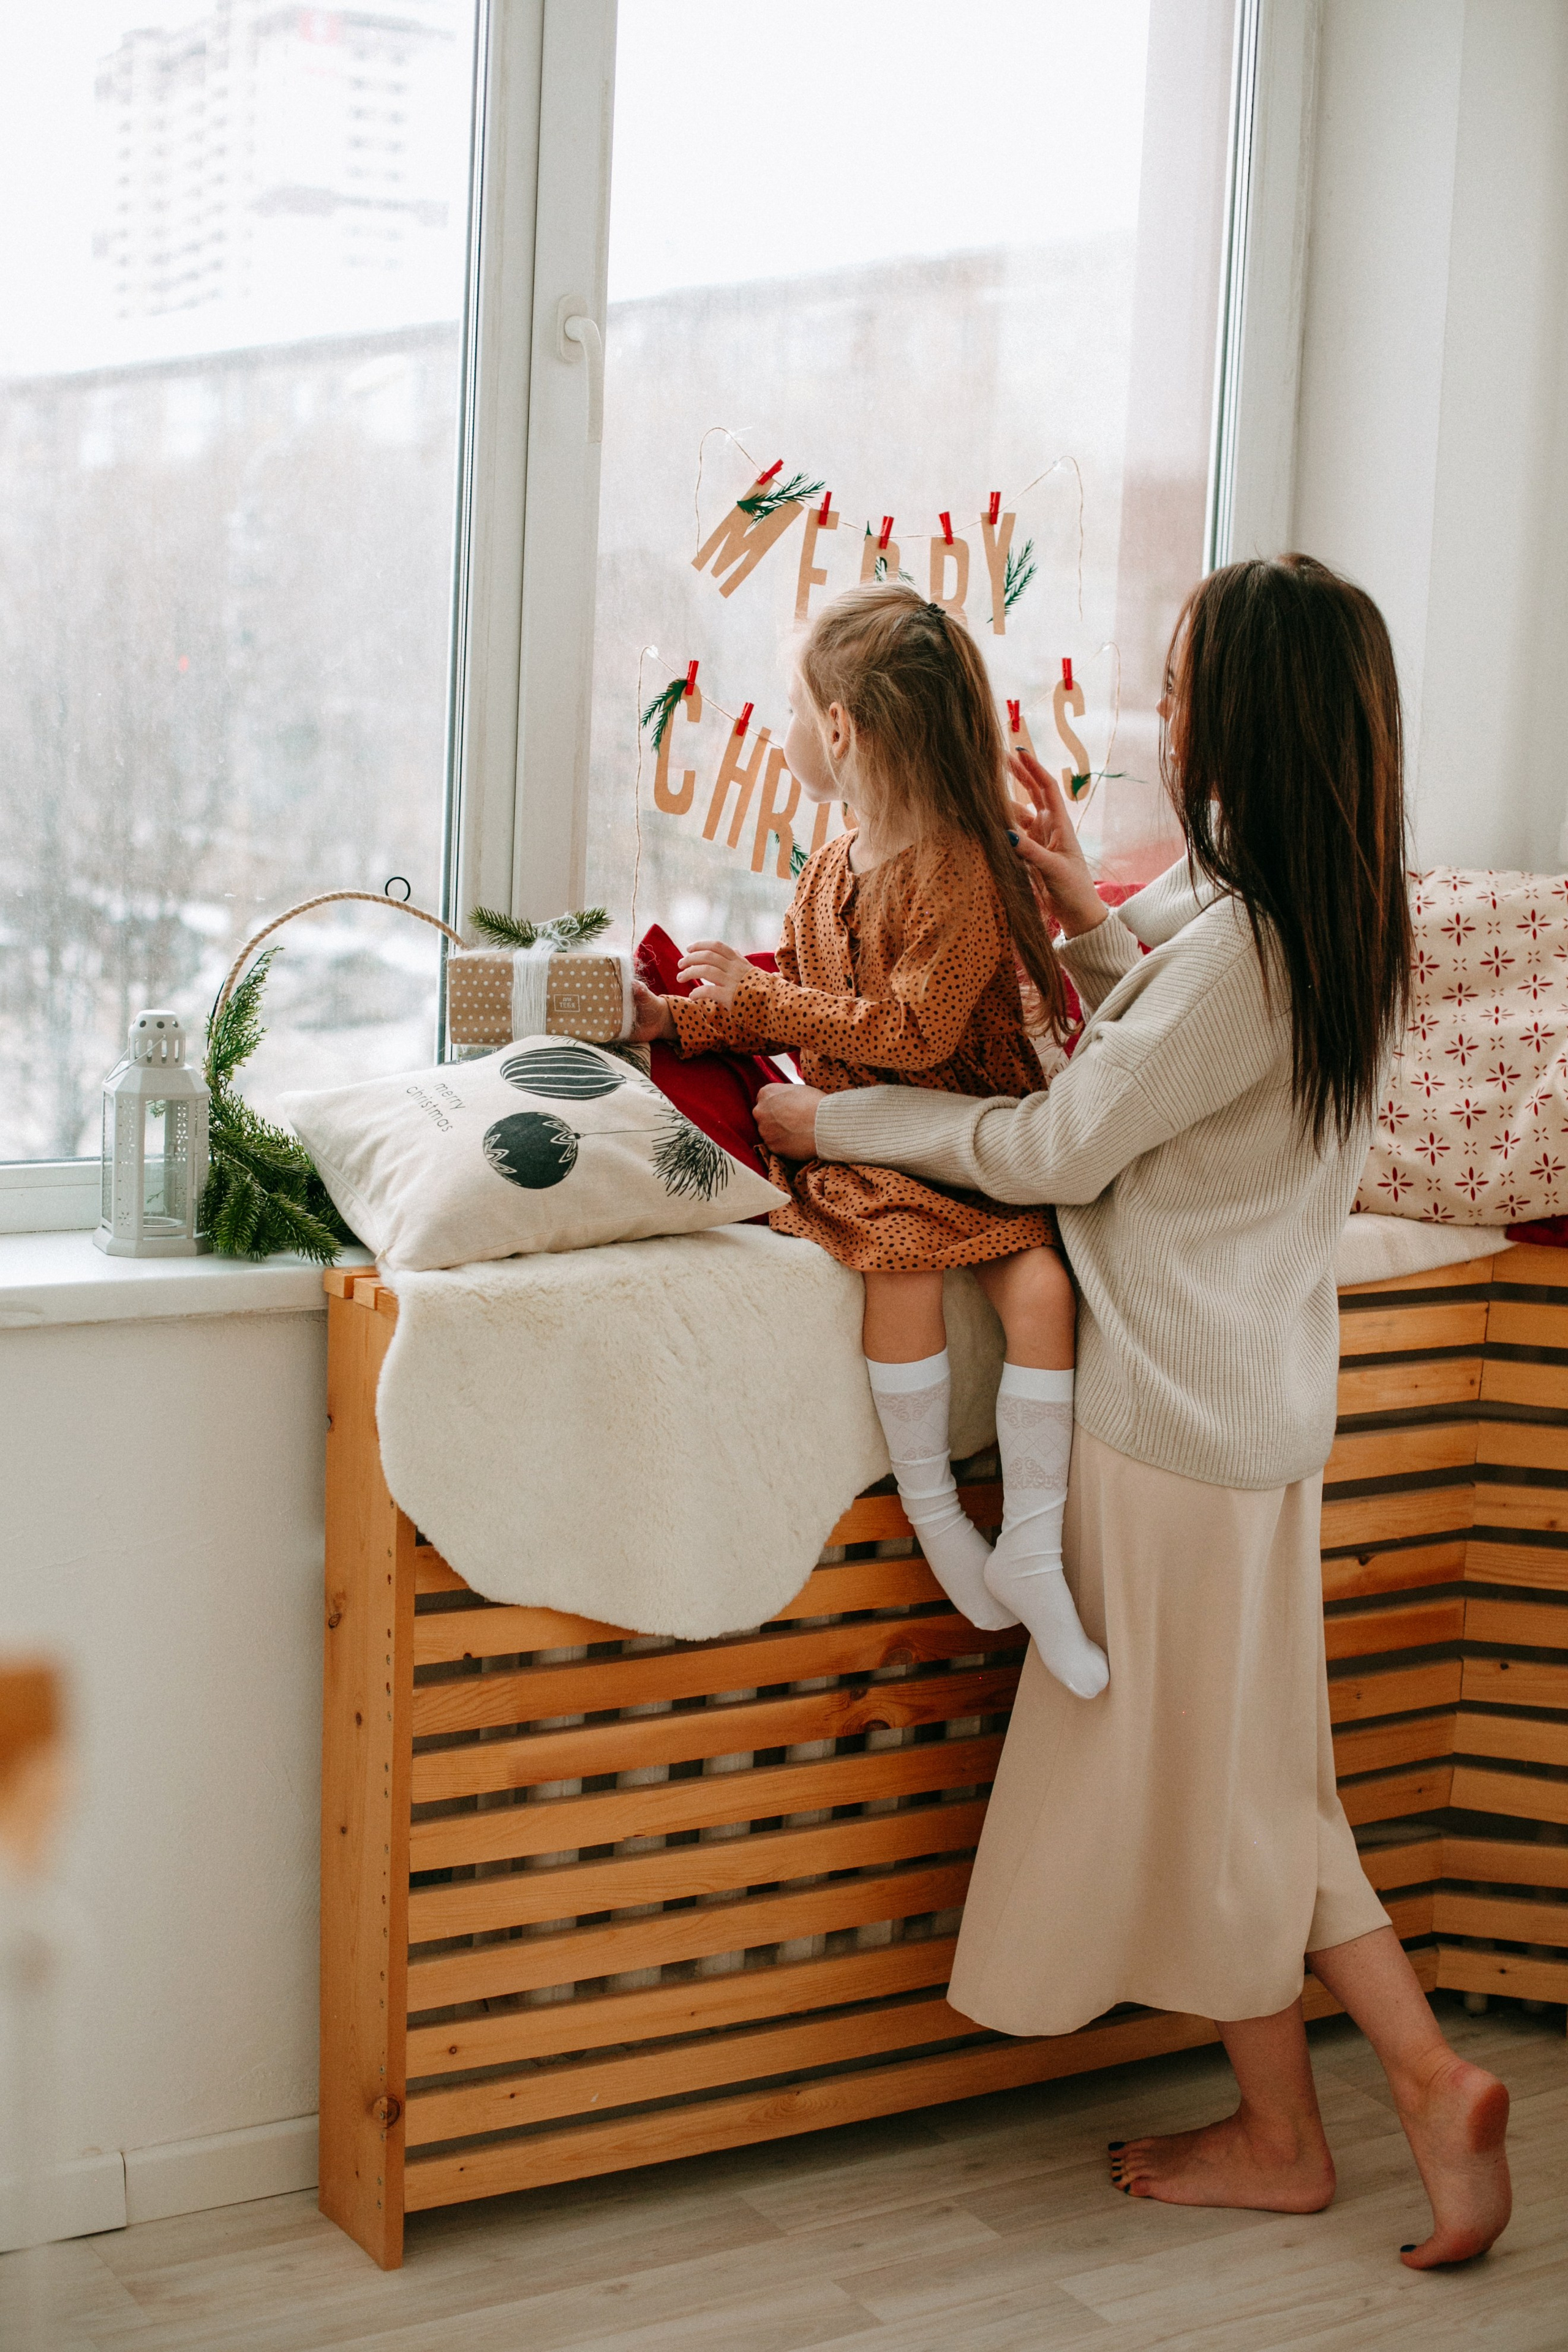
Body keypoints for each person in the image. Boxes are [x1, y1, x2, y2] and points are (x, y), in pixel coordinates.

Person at [754, 556, 1512, 2267]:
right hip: (1253, 1409)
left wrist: (839, 1127)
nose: (1164, 720)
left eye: (1181, 689)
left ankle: (1343, 2103)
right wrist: (1082, 913)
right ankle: (1379, 2097)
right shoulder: (1328, 901)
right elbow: (1177, 1039)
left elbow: (1058, 1145)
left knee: (1226, 1791)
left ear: (1238, 717)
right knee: (1266, 1784)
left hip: (1169, 1415)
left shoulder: (1250, 936)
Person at [633, 582, 1106, 1697]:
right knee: (897, 1270)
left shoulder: (957, 868)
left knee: (1041, 1291)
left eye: (795, 707)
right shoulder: (840, 856)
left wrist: (758, 1002)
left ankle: (1033, 1541)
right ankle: (937, 1518)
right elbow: (810, 981)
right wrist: (700, 1015)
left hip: (966, 1133)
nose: (788, 726)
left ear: (839, 730)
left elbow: (913, 1027)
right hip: (877, 1146)